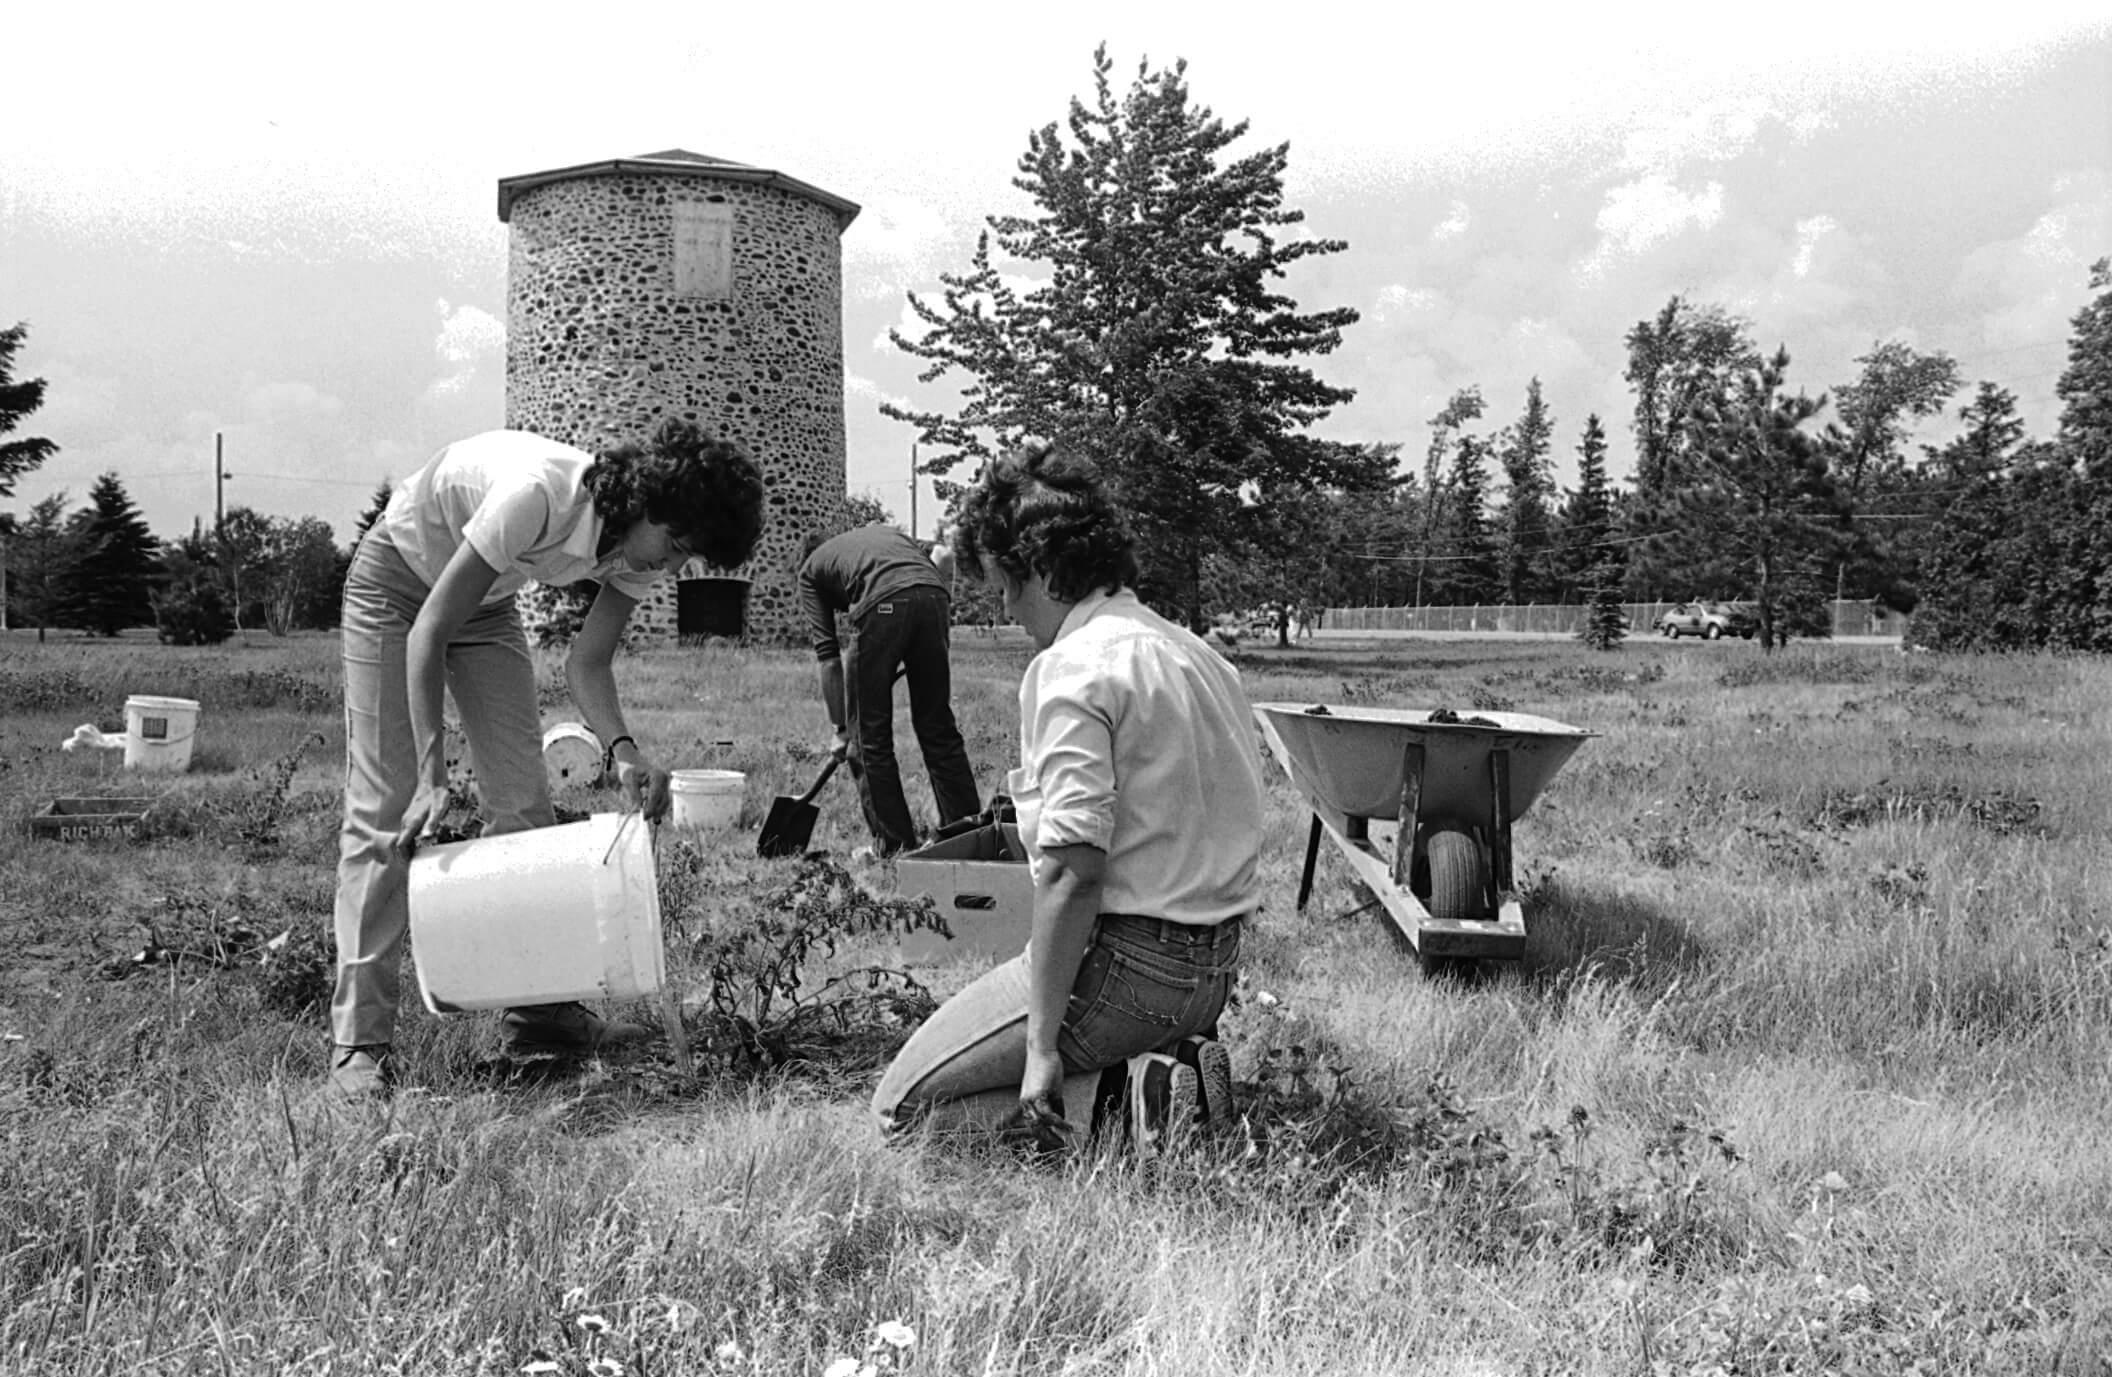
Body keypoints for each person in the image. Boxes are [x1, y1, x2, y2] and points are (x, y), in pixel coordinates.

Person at [330, 417, 764, 1098]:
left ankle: (536, 1013)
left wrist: (624, 751)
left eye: (689, 556)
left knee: (522, 805)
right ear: (645, 499)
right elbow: (427, 631)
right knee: (386, 815)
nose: (673, 566)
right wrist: (430, 773)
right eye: (675, 545)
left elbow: (586, 663)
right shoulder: (538, 493)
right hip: (398, 587)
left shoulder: (638, 553)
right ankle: (358, 1047)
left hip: (486, 605)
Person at [871, 442, 1265, 1147]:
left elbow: (1072, 869)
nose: (1006, 608)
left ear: (1043, 571)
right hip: (1212, 975)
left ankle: (1123, 1104)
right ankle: (1163, 1076)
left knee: (900, 1111)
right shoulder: (1203, 659)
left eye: (1004, 587)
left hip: (1123, 967)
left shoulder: (1074, 669)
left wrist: (1042, 1048)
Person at [798, 522, 981, 857]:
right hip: (934, 596)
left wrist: (841, 729)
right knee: (937, 725)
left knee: (867, 740)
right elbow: (918, 579)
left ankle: (894, 845)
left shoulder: (810, 572)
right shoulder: (878, 537)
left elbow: (828, 659)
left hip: (881, 602)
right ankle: (967, 836)